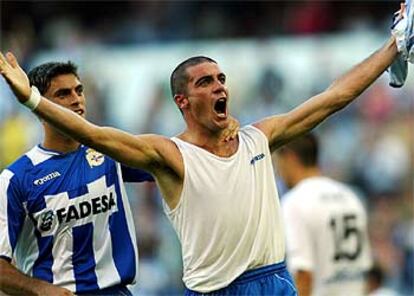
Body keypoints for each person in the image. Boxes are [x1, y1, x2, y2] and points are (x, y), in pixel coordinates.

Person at [0, 6, 410, 292]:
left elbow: (333, 97)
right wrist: (32, 101)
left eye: (221, 78)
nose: (219, 86)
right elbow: (98, 136)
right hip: (214, 291)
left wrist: (393, 44)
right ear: (182, 102)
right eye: (205, 82)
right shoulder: (170, 155)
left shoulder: (257, 137)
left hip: (273, 282)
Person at [0, 61, 238, 296]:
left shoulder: (109, 153)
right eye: (63, 94)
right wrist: (39, 289)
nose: (77, 100)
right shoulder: (16, 179)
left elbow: (178, 156)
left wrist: (217, 131)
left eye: (79, 91)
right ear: (42, 107)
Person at [275, 133, 372, 296]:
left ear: (289, 158)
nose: (278, 171)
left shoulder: (295, 202)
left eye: (278, 163)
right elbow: (364, 267)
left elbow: (303, 273)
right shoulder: (349, 196)